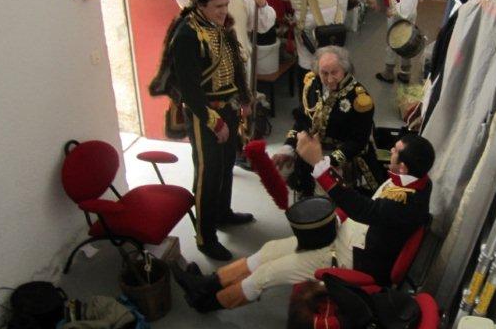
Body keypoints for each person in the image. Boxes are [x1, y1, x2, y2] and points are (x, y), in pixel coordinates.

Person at [171, 133, 435, 312]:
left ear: (403, 168)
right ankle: (207, 285)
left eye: (396, 151)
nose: (391, 151)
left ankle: (207, 302)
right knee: (269, 250)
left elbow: (363, 209)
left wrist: (319, 164)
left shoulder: (404, 204)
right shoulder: (418, 182)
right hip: (347, 237)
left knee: (265, 274)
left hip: (350, 257)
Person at [155, 0, 254, 261]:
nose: (224, 11)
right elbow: (189, 89)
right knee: (207, 174)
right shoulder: (186, 34)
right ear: (200, 4)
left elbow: (234, 64)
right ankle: (205, 236)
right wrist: (214, 121)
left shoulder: (220, 25)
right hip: (203, 113)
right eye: (217, 6)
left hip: (229, 106)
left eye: (225, 5)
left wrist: (244, 98)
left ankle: (223, 213)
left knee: (226, 164)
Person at [272, 46, 385, 197]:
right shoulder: (312, 84)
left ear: (345, 69)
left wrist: (328, 162)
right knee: (279, 168)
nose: (329, 79)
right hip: (313, 148)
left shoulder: (360, 99)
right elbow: (302, 120)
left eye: (334, 72)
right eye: (324, 73)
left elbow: (358, 141)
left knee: (325, 194)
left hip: (344, 155)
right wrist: (288, 146)